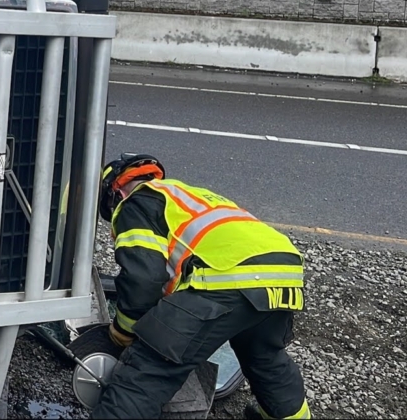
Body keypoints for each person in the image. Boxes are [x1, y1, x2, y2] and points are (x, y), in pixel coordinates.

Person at [93, 154, 310, 420]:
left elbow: (144, 280)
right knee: (265, 358)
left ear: (114, 193)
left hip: (227, 275)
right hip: (283, 273)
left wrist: (125, 330)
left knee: (147, 370)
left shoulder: (136, 202)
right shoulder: (189, 195)